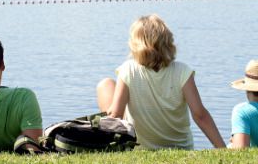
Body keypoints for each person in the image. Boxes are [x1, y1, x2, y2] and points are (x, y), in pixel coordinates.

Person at [96, 14, 226, 150]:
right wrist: (222, 148)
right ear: (169, 42)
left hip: (141, 149)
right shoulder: (182, 71)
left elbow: (116, 115)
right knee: (108, 84)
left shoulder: (128, 70)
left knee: (105, 85)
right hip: (181, 147)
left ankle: (113, 147)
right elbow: (200, 115)